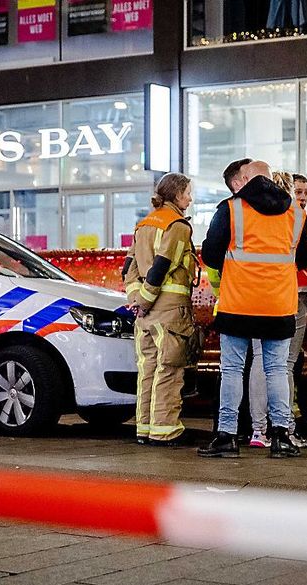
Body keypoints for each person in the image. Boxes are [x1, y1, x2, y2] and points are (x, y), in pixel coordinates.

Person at [198, 161, 307, 459]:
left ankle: (227, 435)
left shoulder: (230, 208)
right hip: (279, 304)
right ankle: (281, 436)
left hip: (238, 303)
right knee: (277, 370)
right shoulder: (296, 213)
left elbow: (210, 254)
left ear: (247, 178)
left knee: (233, 370)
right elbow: (305, 259)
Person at [122, 172, 197, 446]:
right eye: (188, 192)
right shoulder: (177, 225)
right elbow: (161, 267)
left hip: (145, 317)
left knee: (148, 370)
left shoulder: (143, 224)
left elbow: (128, 269)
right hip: (169, 313)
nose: (190, 197)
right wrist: (144, 301)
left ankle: (144, 427)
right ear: (176, 195)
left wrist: (136, 301)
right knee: (169, 369)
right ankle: (165, 431)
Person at [246, 171, 307, 449]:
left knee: (258, 361)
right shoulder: (296, 216)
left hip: (252, 293)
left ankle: (258, 431)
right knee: (283, 363)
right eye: (299, 192)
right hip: (290, 293)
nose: (302, 198)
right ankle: (284, 429)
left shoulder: (247, 213)